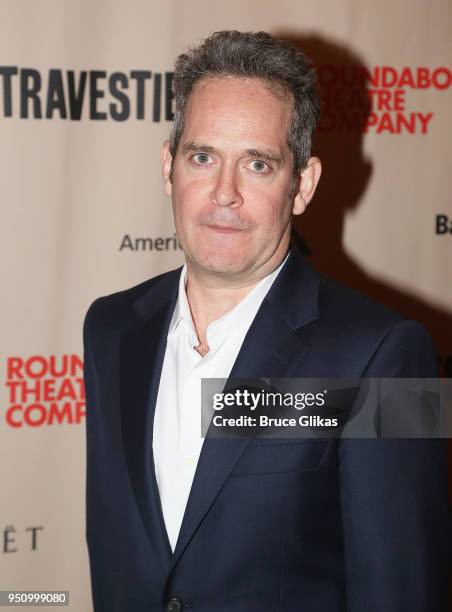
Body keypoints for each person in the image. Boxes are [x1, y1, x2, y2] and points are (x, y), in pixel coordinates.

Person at [83, 30, 449, 612]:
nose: (223, 193)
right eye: (202, 157)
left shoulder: (389, 354)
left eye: (257, 164)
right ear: (168, 166)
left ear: (302, 185)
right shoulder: (110, 329)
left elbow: (404, 590)